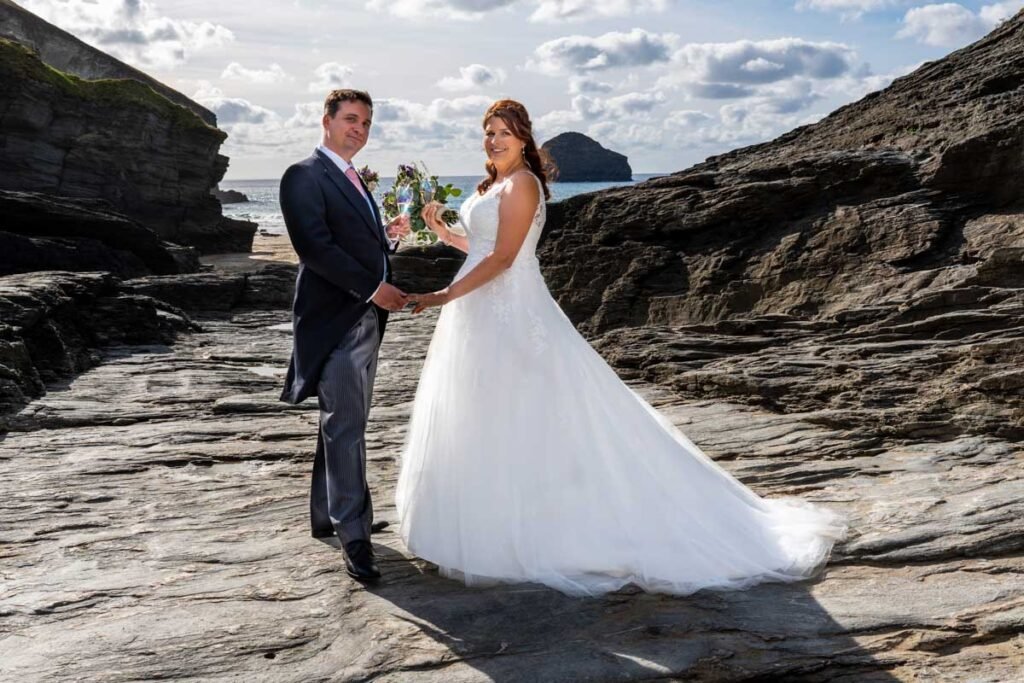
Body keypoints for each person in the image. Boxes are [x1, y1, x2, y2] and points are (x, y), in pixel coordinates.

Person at [396, 99, 847, 597]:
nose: (494, 139)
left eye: (504, 131)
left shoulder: (523, 184)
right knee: (485, 412)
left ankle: (543, 529)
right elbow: (483, 249)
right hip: (478, 314)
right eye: (488, 132)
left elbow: (505, 259)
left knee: (527, 412)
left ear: (524, 137)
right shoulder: (495, 185)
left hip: (512, 313)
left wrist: (441, 294)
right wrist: (444, 233)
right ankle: (482, 524)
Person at [279, 89, 410, 583]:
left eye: (367, 122)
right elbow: (315, 248)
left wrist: (388, 237)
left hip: (365, 320)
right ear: (326, 121)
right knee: (346, 426)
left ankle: (327, 515)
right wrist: (376, 288)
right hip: (336, 321)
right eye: (351, 119)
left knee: (341, 421)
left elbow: (354, 239)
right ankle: (354, 536)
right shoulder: (304, 175)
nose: (360, 129)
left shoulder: (354, 178)